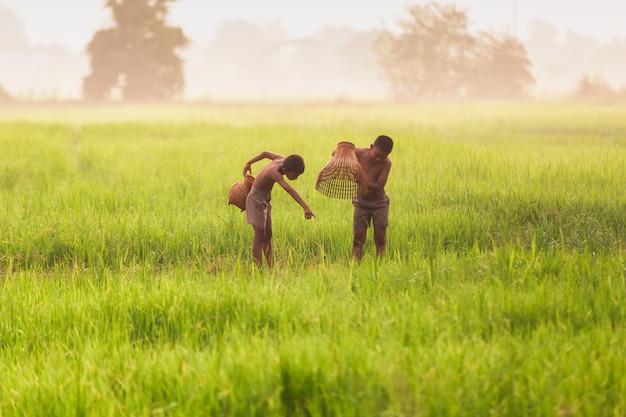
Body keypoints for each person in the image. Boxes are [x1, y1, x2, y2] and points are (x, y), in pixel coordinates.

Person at [243, 151, 316, 267]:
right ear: (286, 171)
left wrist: (249, 163)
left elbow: (265, 153)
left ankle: (271, 268)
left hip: (265, 199)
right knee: (259, 237)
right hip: (256, 199)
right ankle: (259, 269)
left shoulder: (283, 160)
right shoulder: (274, 173)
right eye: (296, 175)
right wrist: (305, 207)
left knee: (268, 235)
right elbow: (289, 190)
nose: (296, 178)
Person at [352, 135, 394, 261]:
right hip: (361, 202)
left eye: (382, 157)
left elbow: (378, 186)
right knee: (358, 239)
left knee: (380, 238)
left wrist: (361, 180)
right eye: (376, 155)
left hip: (379, 204)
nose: (378, 159)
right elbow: (337, 153)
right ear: (371, 147)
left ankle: (380, 266)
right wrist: (342, 153)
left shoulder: (386, 163)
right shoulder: (359, 152)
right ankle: (354, 267)